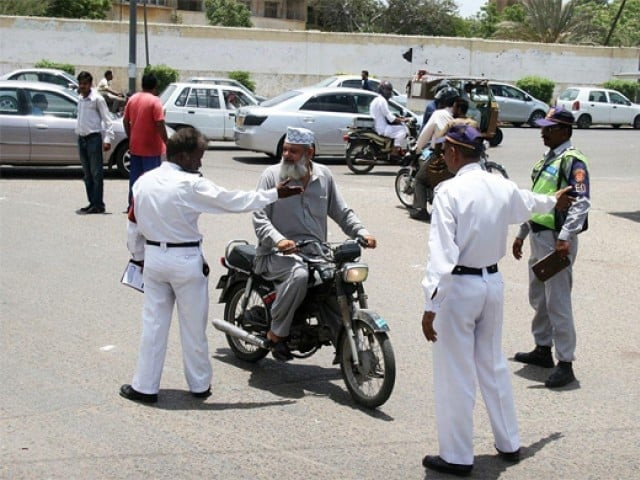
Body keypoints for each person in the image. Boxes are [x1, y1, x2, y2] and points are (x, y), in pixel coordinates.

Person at [420, 123, 574, 476]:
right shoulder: (500, 185)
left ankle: (457, 456)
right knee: (492, 365)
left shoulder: (449, 191)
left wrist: (431, 304)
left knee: (455, 372)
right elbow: (530, 203)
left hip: (458, 289)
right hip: (492, 283)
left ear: (456, 153)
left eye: (445, 151)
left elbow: (442, 255)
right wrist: (555, 200)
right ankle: (509, 443)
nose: (443, 157)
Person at [120, 127, 302, 404]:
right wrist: (274, 194)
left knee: (153, 326)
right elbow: (232, 200)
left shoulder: (143, 181)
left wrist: (138, 258)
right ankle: (199, 385)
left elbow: (133, 224)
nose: (201, 162)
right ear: (183, 155)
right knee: (193, 327)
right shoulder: (190, 184)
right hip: (185, 261)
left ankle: (144, 387)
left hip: (154, 259)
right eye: (198, 156)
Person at [253, 127, 376, 361]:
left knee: (337, 279)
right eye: (285, 150)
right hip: (274, 254)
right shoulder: (271, 176)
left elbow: (341, 211)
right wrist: (280, 241)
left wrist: (362, 232)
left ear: (310, 153)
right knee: (299, 274)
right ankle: (276, 333)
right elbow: (259, 217)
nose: (287, 155)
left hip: (316, 253)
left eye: (294, 151)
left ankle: (344, 339)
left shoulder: (324, 176)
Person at [512, 106, 590, 389]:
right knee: (539, 297)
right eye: (543, 127)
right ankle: (542, 349)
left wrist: (566, 236)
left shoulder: (574, 161)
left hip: (557, 239)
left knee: (557, 300)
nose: (543, 132)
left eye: (549, 128)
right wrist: (522, 231)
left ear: (565, 131)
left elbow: (581, 202)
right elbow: (536, 198)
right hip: (539, 234)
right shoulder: (548, 159)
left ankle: (565, 362)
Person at [410, 87, 460, 221]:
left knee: (420, 179)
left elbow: (425, 135)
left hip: (442, 156)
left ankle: (420, 209)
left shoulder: (438, 114)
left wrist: (417, 148)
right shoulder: (461, 116)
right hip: (461, 158)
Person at [123, 73, 168, 211]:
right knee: (151, 180)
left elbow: (125, 120)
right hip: (152, 148)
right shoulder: (155, 101)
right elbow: (160, 123)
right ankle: (149, 208)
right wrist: (166, 141)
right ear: (155, 86)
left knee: (135, 179)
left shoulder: (133, 99)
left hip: (136, 146)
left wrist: (131, 136)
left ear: (142, 84)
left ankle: (132, 205)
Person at [75, 71, 114, 215]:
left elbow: (107, 120)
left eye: (85, 84)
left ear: (90, 84)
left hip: (93, 139)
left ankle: (98, 204)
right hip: (82, 139)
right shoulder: (80, 99)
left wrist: (107, 139)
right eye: (81, 84)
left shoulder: (97, 99)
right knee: (87, 174)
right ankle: (92, 202)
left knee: (96, 173)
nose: (82, 86)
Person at [369, 81, 409, 158]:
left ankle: (391, 148)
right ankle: (395, 151)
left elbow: (386, 114)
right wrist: (403, 120)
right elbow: (390, 118)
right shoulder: (382, 101)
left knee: (398, 128)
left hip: (378, 126)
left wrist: (399, 118)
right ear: (383, 90)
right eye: (388, 90)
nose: (389, 92)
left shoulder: (376, 99)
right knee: (403, 130)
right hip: (382, 128)